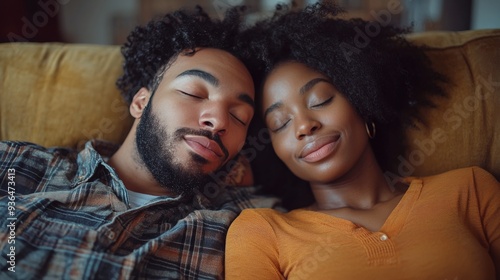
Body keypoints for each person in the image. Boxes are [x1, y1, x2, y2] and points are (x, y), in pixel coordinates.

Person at [226, 3, 500, 279]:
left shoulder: (470, 191)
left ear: (362, 100)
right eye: (280, 124)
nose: (304, 126)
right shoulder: (261, 231)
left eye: (320, 100)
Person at [0, 6, 278, 279]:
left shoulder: (245, 221)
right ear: (141, 102)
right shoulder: (17, 164)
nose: (219, 121)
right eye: (193, 92)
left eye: (239, 116)